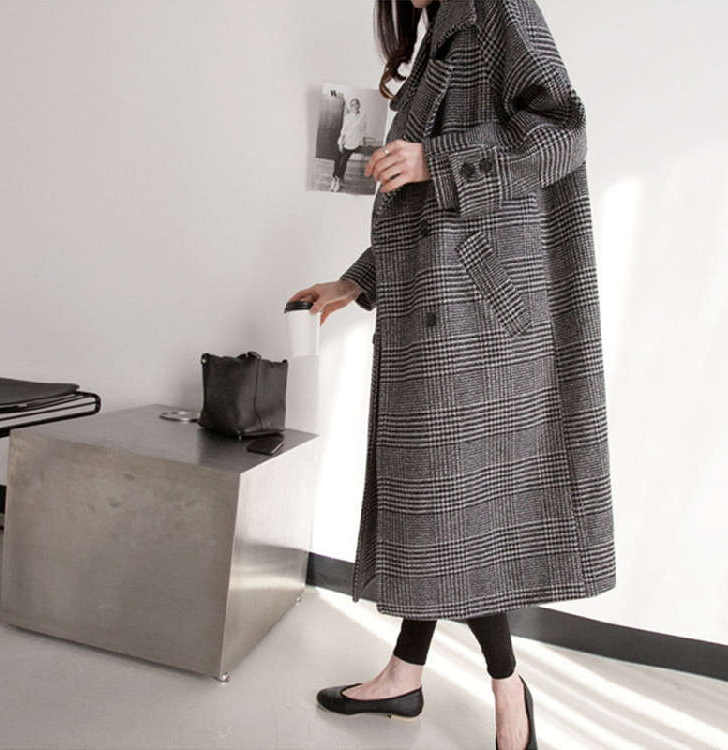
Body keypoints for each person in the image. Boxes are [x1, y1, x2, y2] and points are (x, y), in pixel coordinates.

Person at [288, 1, 615, 748]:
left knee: (452, 512)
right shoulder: (440, 32)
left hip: (478, 324)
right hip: (443, 312)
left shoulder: (497, 8)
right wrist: (354, 281)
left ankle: (508, 689)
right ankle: (405, 675)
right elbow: (421, 216)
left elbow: (565, 130)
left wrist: (437, 159)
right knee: (438, 510)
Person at [331, 97, 367, 192]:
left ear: (359, 105)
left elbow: (363, 129)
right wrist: (341, 143)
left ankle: (338, 181)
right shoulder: (348, 116)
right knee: (337, 160)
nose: (354, 106)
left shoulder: (363, 116)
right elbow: (344, 130)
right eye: (352, 105)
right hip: (343, 140)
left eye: (356, 104)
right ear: (350, 107)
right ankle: (334, 179)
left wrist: (363, 139)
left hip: (353, 143)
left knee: (343, 161)